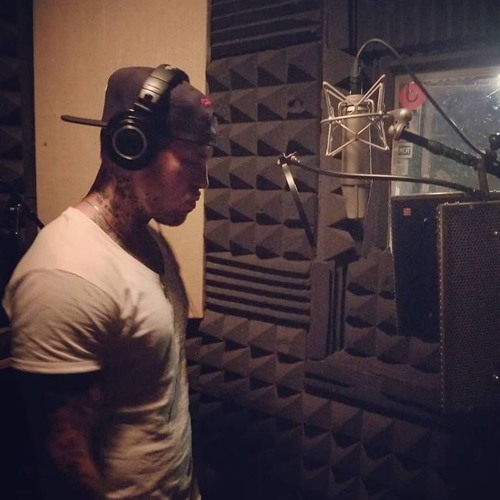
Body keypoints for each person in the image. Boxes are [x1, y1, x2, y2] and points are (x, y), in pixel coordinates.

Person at [2, 64, 216, 499]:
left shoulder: (153, 244)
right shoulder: (64, 274)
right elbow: (65, 469)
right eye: (190, 163)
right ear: (130, 147)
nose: (203, 182)